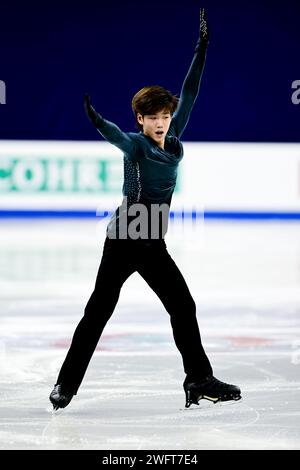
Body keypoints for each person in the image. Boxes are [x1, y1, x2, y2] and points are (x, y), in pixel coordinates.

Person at [50, 8, 241, 410]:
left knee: (182, 306)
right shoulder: (135, 144)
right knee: (98, 312)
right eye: (153, 117)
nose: (161, 122)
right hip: (124, 237)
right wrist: (98, 121)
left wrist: (201, 49)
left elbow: (190, 92)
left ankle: (198, 379)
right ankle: (65, 386)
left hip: (152, 239)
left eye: (165, 116)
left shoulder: (172, 140)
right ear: (141, 119)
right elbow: (117, 136)